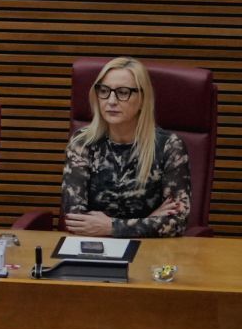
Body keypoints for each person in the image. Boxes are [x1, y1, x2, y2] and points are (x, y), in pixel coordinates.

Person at [60, 57, 192, 237]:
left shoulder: (169, 147)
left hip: (151, 253)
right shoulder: (82, 143)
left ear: (142, 98)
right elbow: (75, 220)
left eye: (123, 92)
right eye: (104, 91)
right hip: (95, 250)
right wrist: (150, 220)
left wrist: (112, 227)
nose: (111, 100)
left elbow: (177, 222)